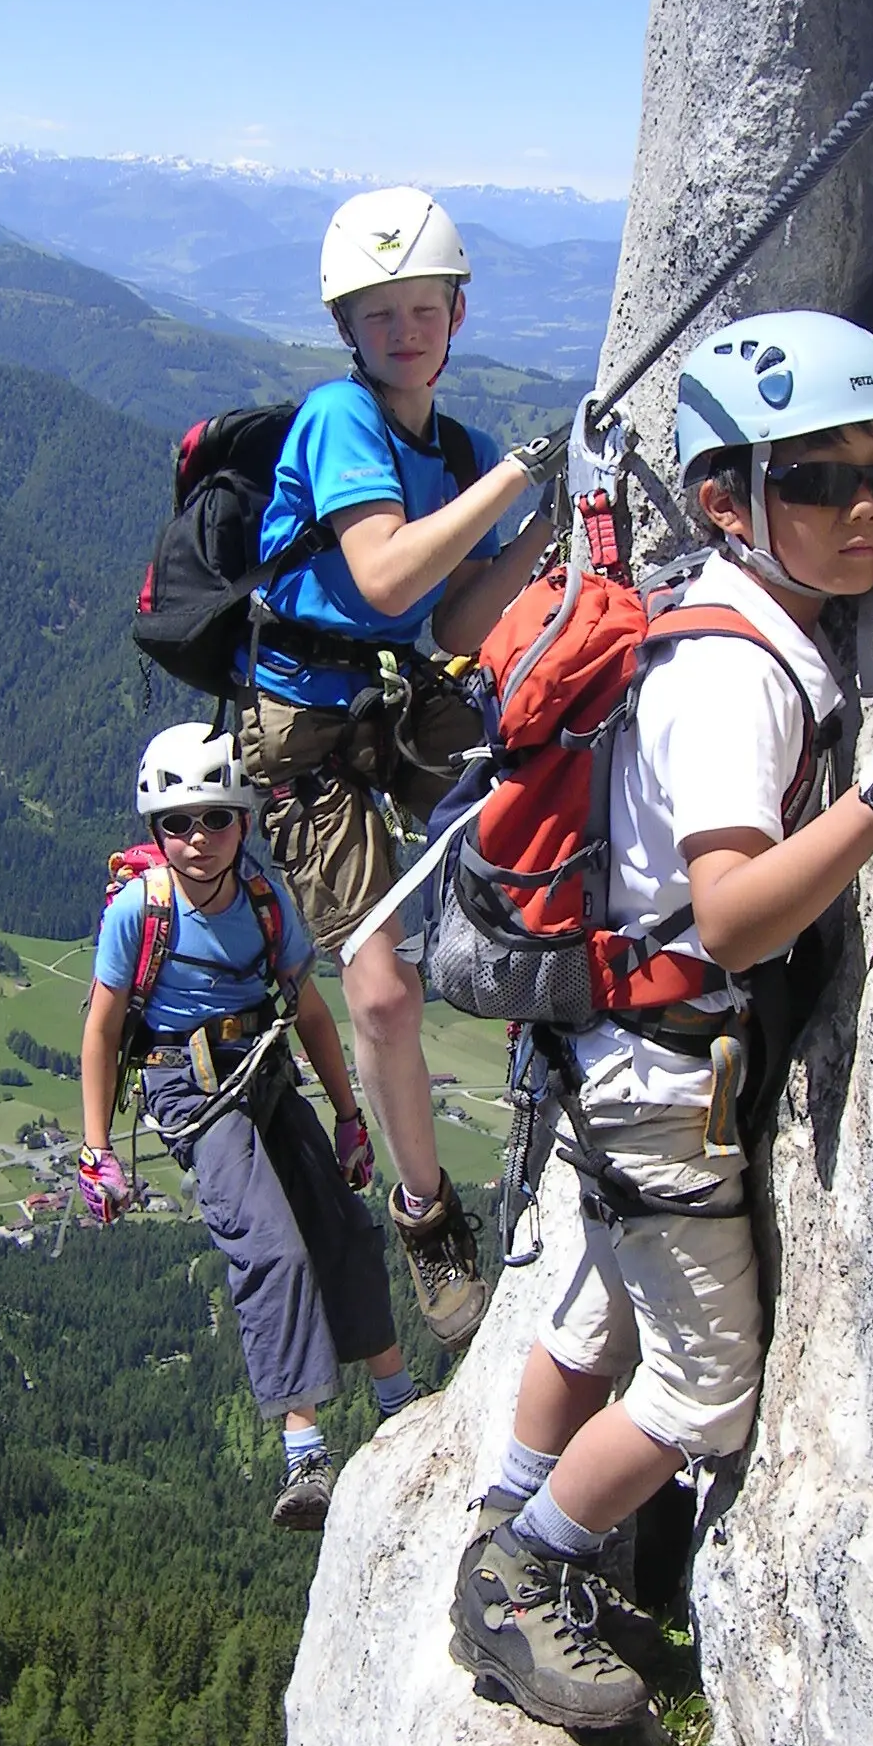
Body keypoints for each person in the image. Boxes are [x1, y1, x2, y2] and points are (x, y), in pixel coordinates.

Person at [449, 310, 873, 1728]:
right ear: (730, 501)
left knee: (597, 1303)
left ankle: (507, 1508)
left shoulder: (736, 619)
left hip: (616, 1047)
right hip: (662, 1070)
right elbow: (736, 915)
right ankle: (523, 1571)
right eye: (816, 478)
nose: (865, 509)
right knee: (701, 1390)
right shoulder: (738, 674)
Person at [235, 186, 565, 1352]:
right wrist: (515, 482)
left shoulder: (457, 450)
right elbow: (383, 577)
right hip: (305, 732)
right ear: (347, 329)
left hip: (394, 695)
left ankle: (563, 1023)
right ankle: (426, 1217)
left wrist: (549, 527)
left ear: (457, 315)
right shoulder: (341, 418)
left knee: (539, 805)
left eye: (424, 309)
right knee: (379, 992)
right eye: (381, 314)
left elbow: (459, 616)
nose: (405, 332)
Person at [79, 722, 418, 1532]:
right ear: (156, 829)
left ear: (242, 820)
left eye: (216, 819)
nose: (197, 838)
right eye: (177, 824)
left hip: (262, 1069)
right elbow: (102, 1029)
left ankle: (398, 1398)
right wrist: (96, 1150)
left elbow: (311, 1013)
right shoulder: (140, 911)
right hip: (189, 1087)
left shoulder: (265, 903)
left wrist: (347, 1118)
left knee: (343, 1227)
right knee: (271, 1247)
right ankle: (305, 1455)